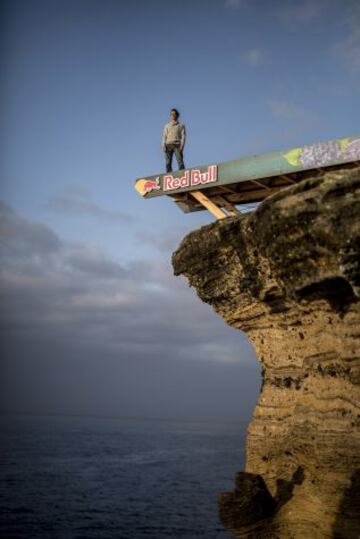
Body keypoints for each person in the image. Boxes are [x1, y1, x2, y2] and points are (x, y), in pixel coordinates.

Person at [162, 108, 186, 172]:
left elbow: (183, 136)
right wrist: (163, 145)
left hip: (177, 145)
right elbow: (164, 136)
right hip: (168, 144)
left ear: (177, 115)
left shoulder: (181, 125)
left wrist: (182, 146)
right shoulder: (167, 126)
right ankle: (169, 175)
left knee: (180, 161)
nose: (172, 115)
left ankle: (182, 173)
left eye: (174, 114)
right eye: (171, 114)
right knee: (168, 162)